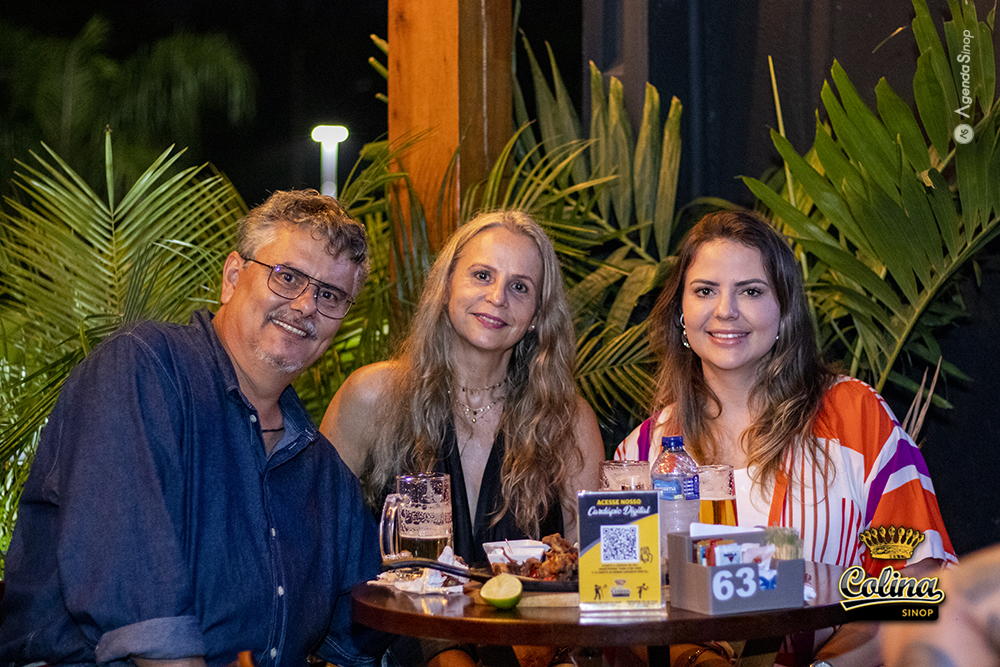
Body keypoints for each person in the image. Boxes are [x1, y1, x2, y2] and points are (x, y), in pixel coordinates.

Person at [0, 190, 387, 667]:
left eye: (329, 295)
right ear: (232, 277)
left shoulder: (319, 468)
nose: (307, 305)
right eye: (288, 277)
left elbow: (373, 621)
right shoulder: (143, 370)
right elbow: (142, 605)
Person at [614, 209, 957, 667]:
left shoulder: (853, 415)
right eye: (705, 291)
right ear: (681, 312)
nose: (725, 310)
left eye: (751, 291)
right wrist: (698, 661)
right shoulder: (641, 452)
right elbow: (620, 604)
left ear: (785, 310)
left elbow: (919, 584)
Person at [322, 209, 604, 564]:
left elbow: (592, 568)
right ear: (446, 287)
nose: (498, 297)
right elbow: (316, 543)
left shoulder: (568, 422)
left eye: (520, 287)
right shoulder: (372, 396)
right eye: (482, 275)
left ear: (537, 314)